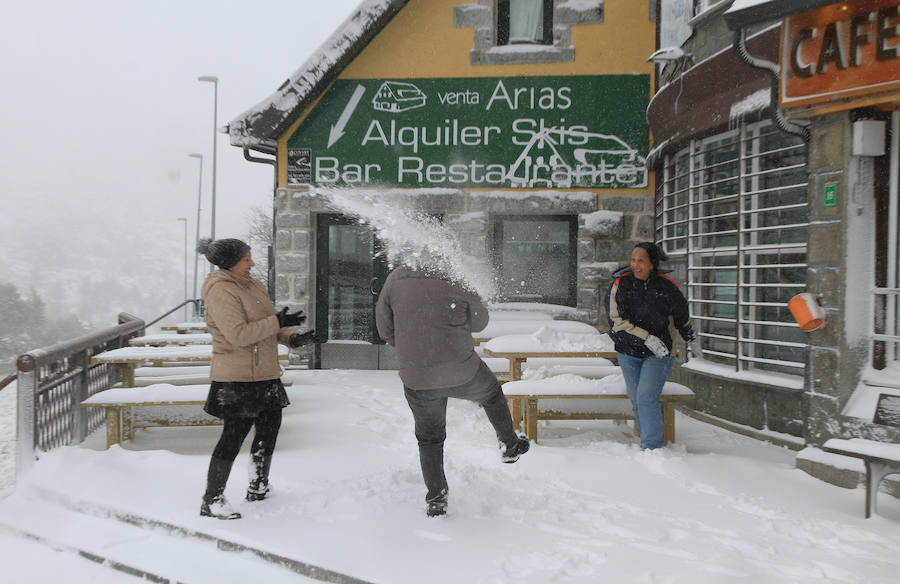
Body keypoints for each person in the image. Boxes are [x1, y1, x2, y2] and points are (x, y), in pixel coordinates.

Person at [375, 263, 530, 517]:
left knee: (429, 438)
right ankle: (509, 444)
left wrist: (411, 345)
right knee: (491, 394)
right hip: (461, 370)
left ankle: (436, 499)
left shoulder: (395, 279)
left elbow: (384, 329)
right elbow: (480, 322)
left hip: (418, 375)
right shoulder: (457, 276)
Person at [197, 238, 316, 520]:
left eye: (250, 257)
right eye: (246, 259)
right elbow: (239, 334)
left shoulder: (252, 286)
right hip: (237, 378)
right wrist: (278, 323)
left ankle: (259, 485)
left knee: (268, 432)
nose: (251, 263)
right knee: (232, 439)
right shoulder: (221, 291)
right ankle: (211, 499)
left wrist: (293, 337)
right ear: (229, 263)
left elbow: (268, 326)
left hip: (265, 373)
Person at [606, 242, 695, 450]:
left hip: (660, 353)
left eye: (641, 261)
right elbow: (616, 321)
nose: (636, 265)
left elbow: (682, 315)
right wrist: (646, 338)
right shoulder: (621, 283)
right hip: (629, 351)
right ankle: (647, 438)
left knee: (646, 398)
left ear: (652, 264)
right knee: (637, 400)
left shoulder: (666, 286)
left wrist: (689, 334)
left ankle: (652, 448)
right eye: (633, 260)